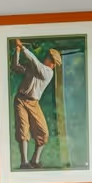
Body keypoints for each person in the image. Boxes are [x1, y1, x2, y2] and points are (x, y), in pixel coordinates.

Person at [12, 41, 60, 169]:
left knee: (43, 132)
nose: (52, 64)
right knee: (23, 129)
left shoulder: (48, 72)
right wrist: (17, 50)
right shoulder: (35, 66)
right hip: (21, 100)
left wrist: (23, 47)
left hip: (34, 103)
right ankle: (24, 162)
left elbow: (36, 64)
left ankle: (35, 160)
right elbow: (15, 67)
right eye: (52, 60)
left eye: (53, 62)